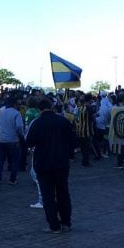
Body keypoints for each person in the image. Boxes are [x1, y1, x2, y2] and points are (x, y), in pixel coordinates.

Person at [25, 97, 77, 233]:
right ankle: (66, 222)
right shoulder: (63, 121)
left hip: (43, 163)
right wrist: (70, 153)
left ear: (39, 109)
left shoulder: (37, 123)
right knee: (63, 193)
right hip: (61, 163)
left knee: (48, 195)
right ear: (52, 107)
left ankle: (54, 225)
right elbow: (73, 140)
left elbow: (29, 142)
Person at [0, 96, 24, 184]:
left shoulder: (1, 112)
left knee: (0, 160)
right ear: (15, 104)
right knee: (15, 160)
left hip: (2, 140)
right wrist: (21, 136)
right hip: (13, 140)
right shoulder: (16, 113)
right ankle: (12, 179)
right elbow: (19, 127)